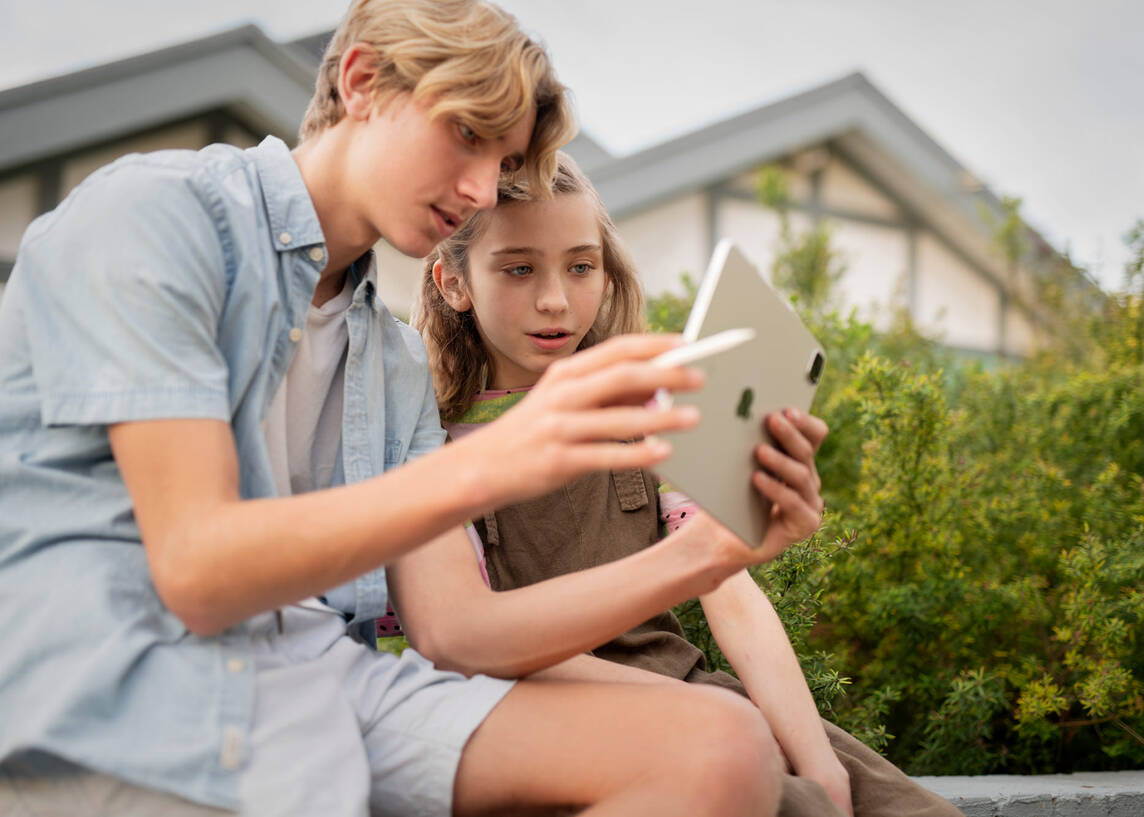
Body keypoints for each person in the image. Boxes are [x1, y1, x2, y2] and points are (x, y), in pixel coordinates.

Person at [0, 2, 818, 815]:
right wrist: (494, 457)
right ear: (361, 82)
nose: (476, 189)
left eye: (498, 160)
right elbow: (198, 571)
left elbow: (457, 633)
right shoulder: (155, 218)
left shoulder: (389, 358)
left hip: (323, 677)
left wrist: (708, 552)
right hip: (131, 674)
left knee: (724, 747)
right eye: (466, 133)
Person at [408, 153, 965, 817]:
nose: (555, 297)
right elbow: (476, 649)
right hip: (550, 714)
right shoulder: (434, 443)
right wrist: (707, 716)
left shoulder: (649, 411)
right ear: (454, 282)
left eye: (581, 266)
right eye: (519, 268)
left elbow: (727, 585)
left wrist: (818, 758)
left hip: (687, 681)